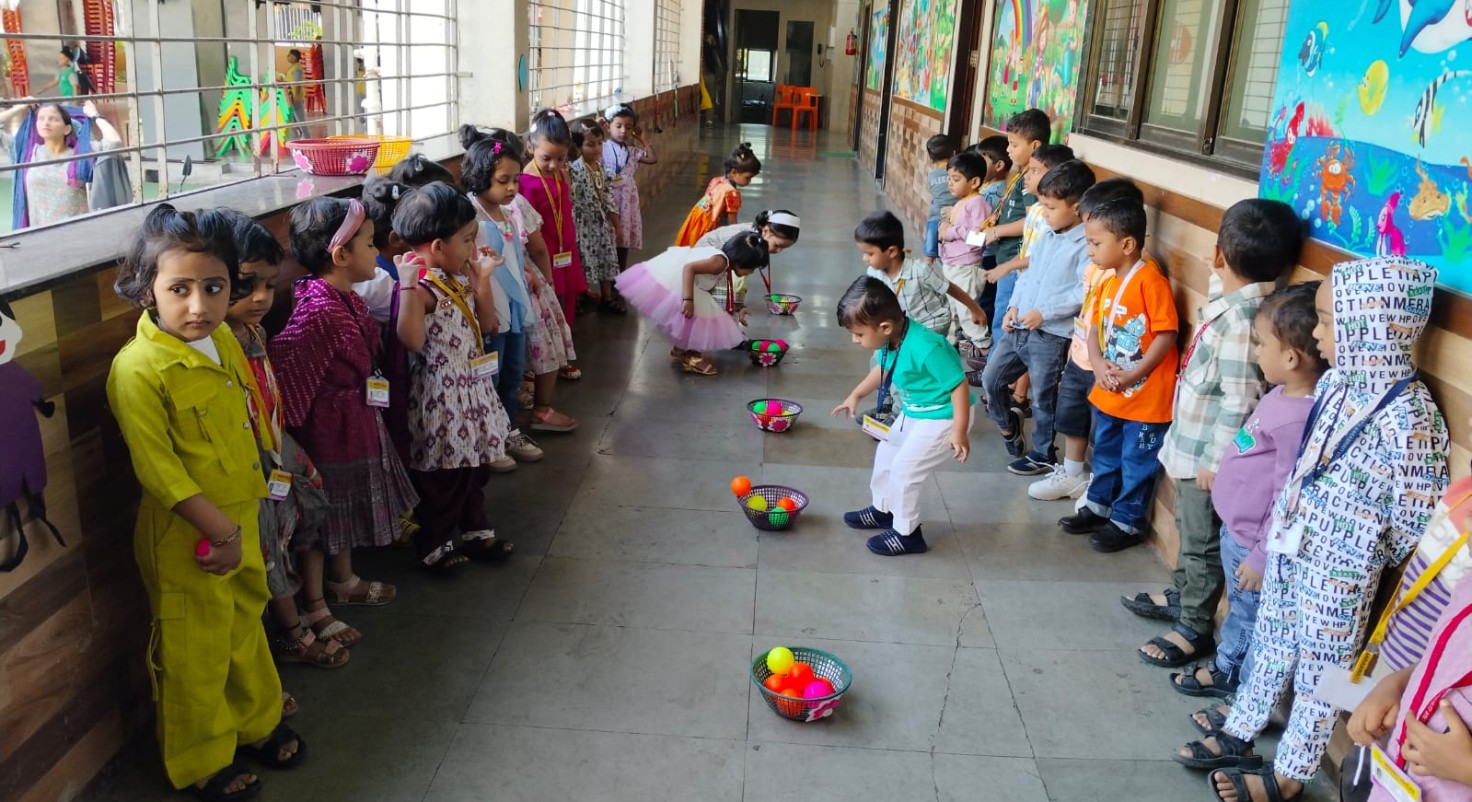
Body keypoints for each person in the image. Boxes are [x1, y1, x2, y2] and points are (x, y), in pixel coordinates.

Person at [1179, 257, 1449, 802]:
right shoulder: (1336, 386)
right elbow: (1304, 462)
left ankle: (1291, 773)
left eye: (1328, 320)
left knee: (1321, 674)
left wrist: (1360, 552)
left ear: (1370, 325)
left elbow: (1416, 510)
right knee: (1273, 639)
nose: (1319, 333)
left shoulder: (1410, 413)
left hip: (1341, 569)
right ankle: (1242, 727)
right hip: (1290, 542)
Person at [107, 205, 302, 800]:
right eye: (180, 289)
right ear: (146, 292)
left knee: (246, 625)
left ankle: (256, 723)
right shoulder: (138, 369)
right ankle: (201, 762)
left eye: (214, 288)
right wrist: (217, 532)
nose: (199, 305)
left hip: (242, 516)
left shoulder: (224, 338)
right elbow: (158, 472)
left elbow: (249, 416)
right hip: (188, 537)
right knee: (195, 651)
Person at [1132, 199, 1306, 669]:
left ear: (1217, 256)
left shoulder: (1241, 324)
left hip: (1204, 459)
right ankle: (1185, 592)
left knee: (1201, 541)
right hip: (1187, 444)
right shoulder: (1232, 305)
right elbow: (1226, 278)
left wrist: (1214, 460)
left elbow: (1240, 400)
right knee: (1191, 533)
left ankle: (1193, 625)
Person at [1167, 284, 1326, 704]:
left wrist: (1260, 556)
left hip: (1253, 546)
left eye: (1261, 344)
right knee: (1241, 610)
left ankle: (1229, 673)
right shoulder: (1280, 393)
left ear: (1291, 358)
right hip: (1237, 531)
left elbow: (1289, 495)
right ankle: (1231, 666)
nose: (1255, 353)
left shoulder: (1297, 418)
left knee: (1247, 615)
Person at [271, 197, 416, 646]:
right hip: (325, 432)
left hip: (351, 422)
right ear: (340, 256)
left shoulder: (343, 298)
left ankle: (344, 580)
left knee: (341, 510)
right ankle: (315, 604)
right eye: (370, 244)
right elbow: (291, 377)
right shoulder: (318, 310)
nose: (378, 253)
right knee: (320, 519)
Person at [221, 210, 347, 679]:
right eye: (246, 285)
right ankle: (292, 633)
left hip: (277, 448)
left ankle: (311, 605)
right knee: (267, 546)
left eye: (269, 286)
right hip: (250, 467)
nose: (260, 298)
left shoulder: (252, 331)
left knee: (313, 504)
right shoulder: (215, 345)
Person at [394, 182, 514, 573]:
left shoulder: (458, 277)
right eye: (466, 241)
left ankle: (475, 528)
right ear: (436, 247)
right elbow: (411, 339)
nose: (471, 249)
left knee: (473, 469)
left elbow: (490, 324)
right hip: (442, 399)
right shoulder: (423, 289)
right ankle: (436, 541)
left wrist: (481, 280)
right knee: (444, 477)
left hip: (472, 392)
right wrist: (409, 286)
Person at [1056, 198, 1179, 552]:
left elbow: (1166, 334)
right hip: (1110, 391)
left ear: (1126, 244)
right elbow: (1094, 326)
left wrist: (1133, 373)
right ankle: (1098, 505)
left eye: (1095, 243)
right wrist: (1095, 361)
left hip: (1144, 397)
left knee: (1137, 460)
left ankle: (1127, 521)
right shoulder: (1110, 281)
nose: (1089, 250)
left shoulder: (1150, 282)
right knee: (1105, 449)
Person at [831, 276, 972, 557]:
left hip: (943, 417)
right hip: (915, 412)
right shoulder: (893, 338)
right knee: (886, 454)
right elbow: (883, 369)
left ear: (884, 327)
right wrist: (855, 395)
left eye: (859, 334)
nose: (854, 340)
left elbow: (959, 385)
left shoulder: (926, 346)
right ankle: (884, 509)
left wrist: (959, 430)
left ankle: (907, 534)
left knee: (905, 471)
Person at [1027, 178, 1148, 502]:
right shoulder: (1098, 265)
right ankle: (1072, 472)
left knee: (1101, 429)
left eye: (1094, 238)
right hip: (1080, 355)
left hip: (1104, 364)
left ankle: (1097, 485)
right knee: (1071, 418)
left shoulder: (1128, 273)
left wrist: (1098, 361)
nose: (1087, 243)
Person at [982, 159, 1095, 475]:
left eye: (1050, 207)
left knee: (1044, 398)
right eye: (1043, 206)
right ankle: (1009, 426)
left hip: (1052, 335)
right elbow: (1028, 277)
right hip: (1019, 327)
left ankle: (1044, 453)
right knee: (992, 379)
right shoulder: (1048, 235)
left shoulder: (1087, 246)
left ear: (1076, 208)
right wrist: (1012, 308)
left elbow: (1082, 294)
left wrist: (1044, 313)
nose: (1044, 213)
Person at [459, 126, 550, 462]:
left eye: (515, 179)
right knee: (490, 376)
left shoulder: (507, 212)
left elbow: (513, 255)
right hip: (490, 312)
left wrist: (527, 273)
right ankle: (489, 439)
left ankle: (509, 430)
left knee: (513, 372)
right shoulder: (471, 218)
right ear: (480, 178)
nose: (512, 188)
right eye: (503, 181)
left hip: (513, 309)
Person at [978, 142, 1076, 415]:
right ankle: (1006, 384)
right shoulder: (1038, 210)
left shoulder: (1054, 219)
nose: (1028, 176)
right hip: (1023, 284)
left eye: (1035, 171)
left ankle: (1017, 394)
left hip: (1034, 296)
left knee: (1022, 344)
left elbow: (1039, 261)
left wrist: (1009, 266)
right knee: (1008, 328)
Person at [615, 232, 770, 376]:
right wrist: (688, 300)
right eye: (753, 268)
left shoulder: (722, 260)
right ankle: (691, 356)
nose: (751, 273)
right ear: (742, 261)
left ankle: (680, 350)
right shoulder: (719, 263)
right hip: (683, 285)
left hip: (687, 284)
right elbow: (689, 268)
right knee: (700, 320)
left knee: (695, 319)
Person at [976, 108, 1050, 343]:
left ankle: (996, 373)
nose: (1008, 150)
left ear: (1035, 146)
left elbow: (1032, 222)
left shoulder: (1031, 180)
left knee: (1003, 322)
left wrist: (997, 231)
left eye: (1014, 145)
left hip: (1013, 261)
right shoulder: (1021, 174)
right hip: (1006, 257)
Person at [853, 210, 987, 339]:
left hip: (933, 323)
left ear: (892, 251)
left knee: (915, 352)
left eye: (870, 254)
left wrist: (975, 309)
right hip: (906, 324)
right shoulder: (873, 273)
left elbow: (951, 288)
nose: (865, 259)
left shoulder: (921, 270)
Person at [520, 109, 588, 341]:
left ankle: (566, 336)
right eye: (546, 158)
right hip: (544, 248)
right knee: (548, 298)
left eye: (561, 158)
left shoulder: (560, 173)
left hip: (565, 245)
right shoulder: (526, 182)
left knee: (567, 293)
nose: (554, 164)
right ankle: (553, 344)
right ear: (530, 148)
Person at [0, 99, 122, 228]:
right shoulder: (26, 153)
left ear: (67, 128)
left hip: (75, 234)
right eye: (41, 118)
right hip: (38, 234)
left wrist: (95, 115)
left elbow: (114, 142)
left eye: (53, 119)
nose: (46, 122)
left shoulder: (80, 154)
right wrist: (19, 107)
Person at [936, 150, 995, 358]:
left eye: (956, 179)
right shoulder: (963, 201)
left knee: (966, 311)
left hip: (966, 268)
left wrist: (950, 232)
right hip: (953, 265)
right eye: (949, 178)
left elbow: (980, 238)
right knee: (951, 309)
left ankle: (985, 348)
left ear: (975, 181)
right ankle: (947, 347)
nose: (950, 183)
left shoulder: (977, 203)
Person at [568, 118, 624, 313]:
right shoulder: (573, 170)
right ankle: (579, 296)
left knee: (606, 257)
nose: (597, 148)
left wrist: (616, 225)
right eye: (590, 144)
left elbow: (608, 199)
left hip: (602, 223)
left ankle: (607, 297)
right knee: (584, 259)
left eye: (600, 143)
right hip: (582, 224)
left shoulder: (604, 171)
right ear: (577, 146)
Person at [602, 103, 657, 270]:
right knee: (607, 238)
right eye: (618, 126)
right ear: (608, 126)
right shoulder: (602, 148)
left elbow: (652, 158)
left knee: (623, 240)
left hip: (626, 202)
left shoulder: (632, 152)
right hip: (608, 199)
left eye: (628, 127)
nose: (623, 131)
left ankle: (621, 275)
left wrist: (642, 138)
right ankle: (608, 278)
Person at [674, 142, 760, 247]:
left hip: (698, 218)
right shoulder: (732, 193)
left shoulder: (717, 180)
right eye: (747, 177)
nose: (749, 182)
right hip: (707, 225)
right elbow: (732, 222)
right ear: (733, 172)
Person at [923, 134, 959, 263]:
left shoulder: (932, 176)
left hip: (935, 217)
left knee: (929, 252)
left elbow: (933, 193)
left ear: (931, 159)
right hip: (954, 218)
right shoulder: (958, 173)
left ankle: (927, 271)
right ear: (954, 153)